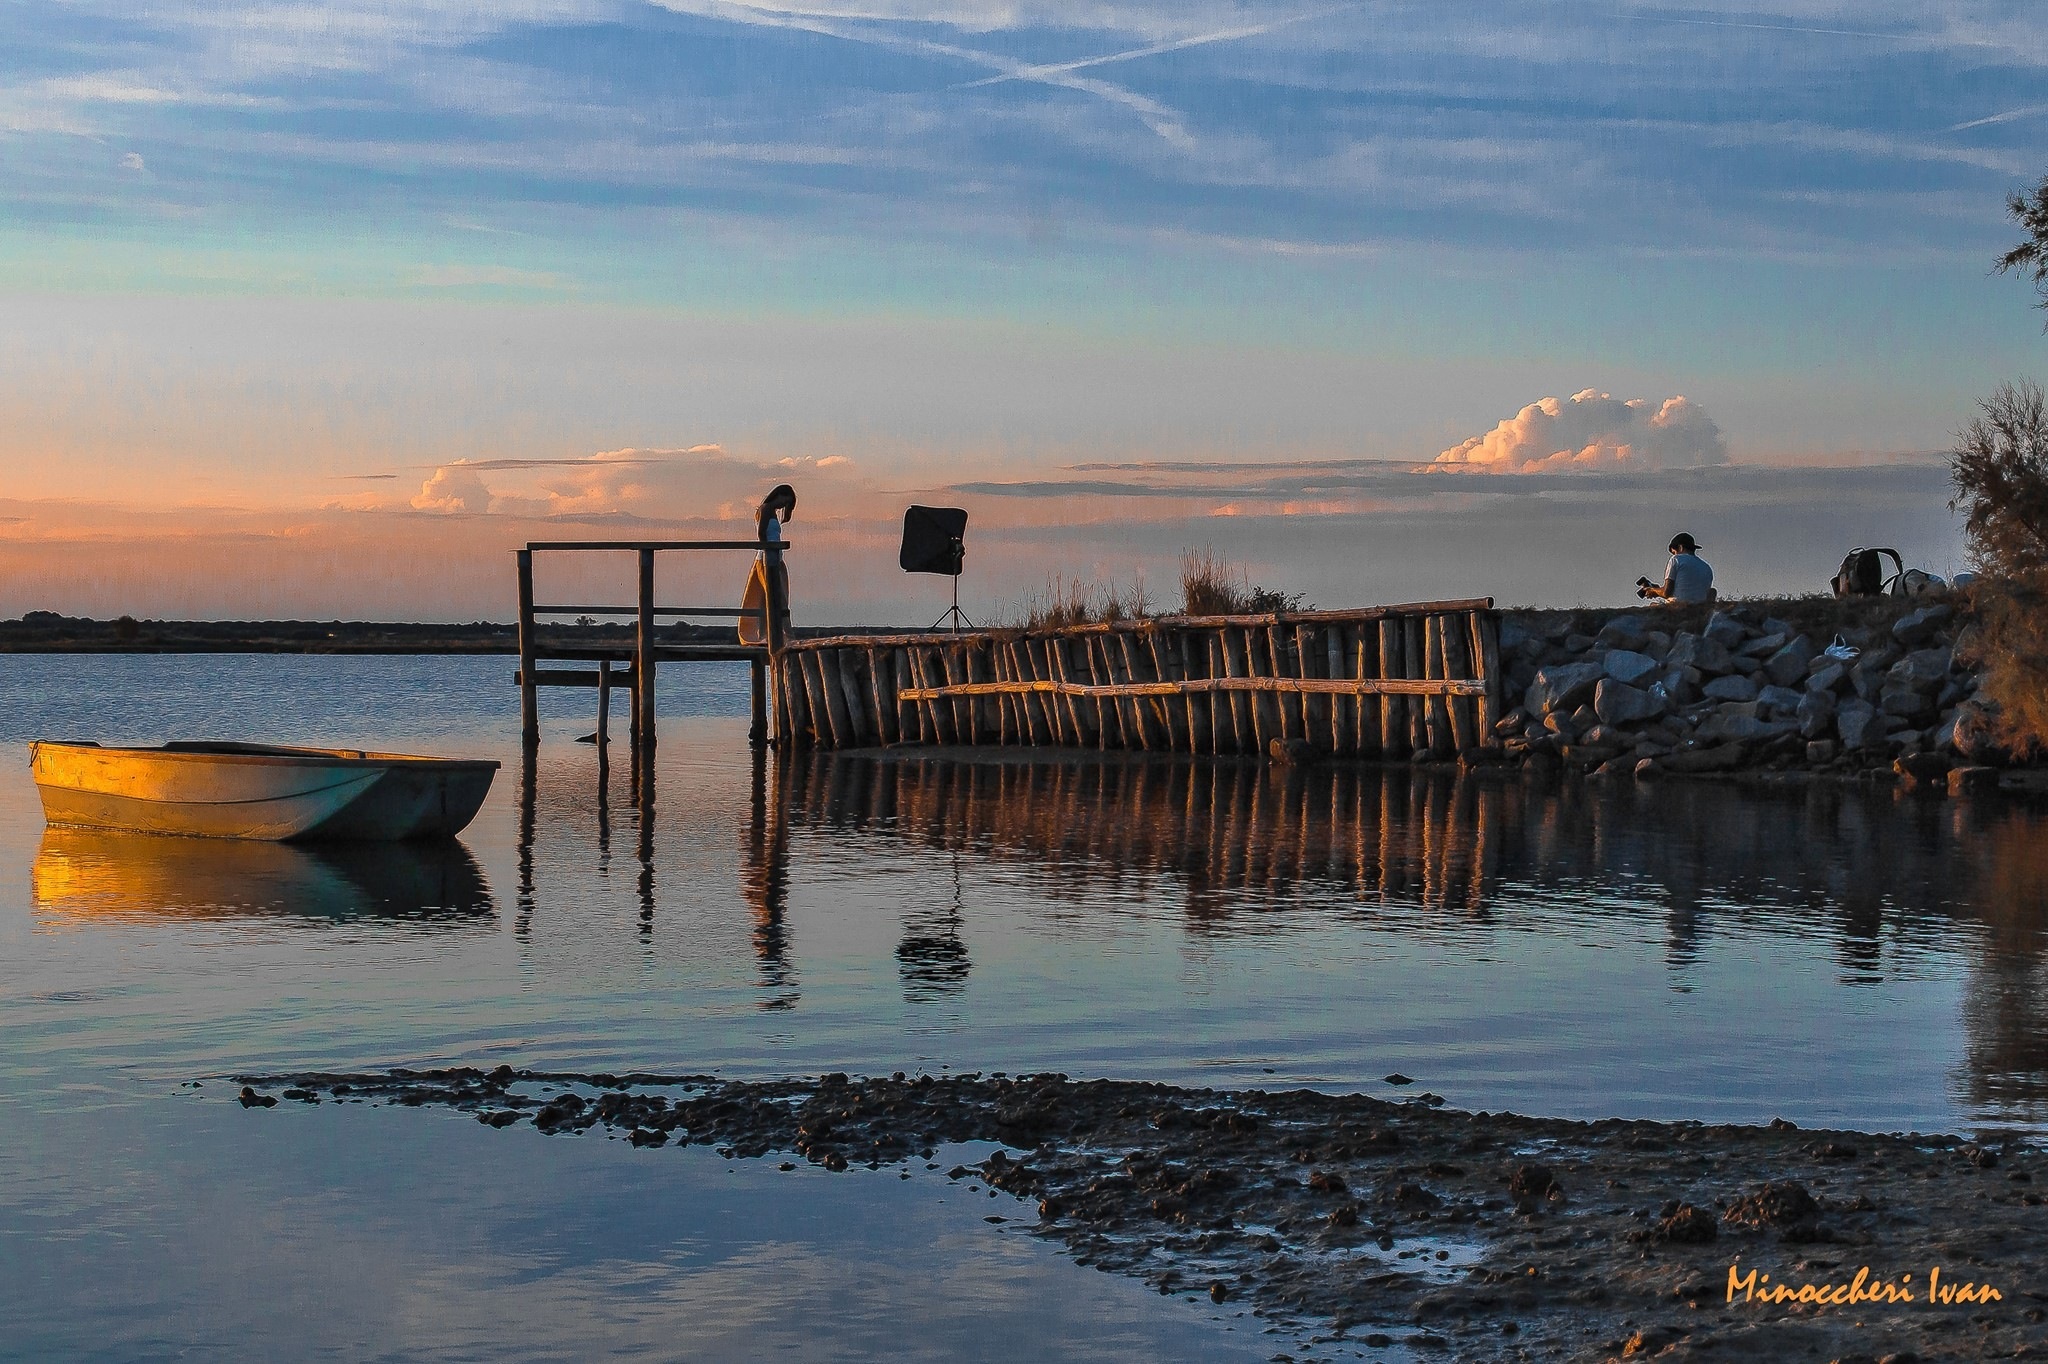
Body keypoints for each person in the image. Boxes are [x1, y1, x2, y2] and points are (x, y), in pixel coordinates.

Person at [1637, 533, 1715, 603]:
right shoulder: (1707, 567)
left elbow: (1666, 593)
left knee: (1653, 605)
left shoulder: (1676, 559)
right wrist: (1657, 590)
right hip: (1698, 610)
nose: (1674, 555)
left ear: (1680, 547)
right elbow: (1688, 590)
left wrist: (1652, 590)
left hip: (1677, 607)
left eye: (1674, 552)